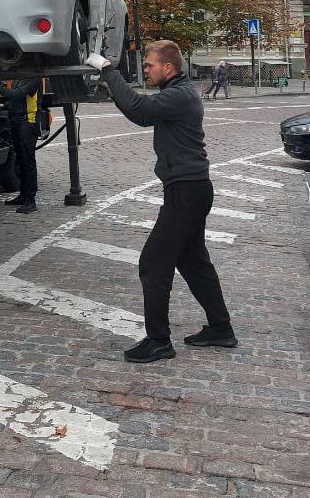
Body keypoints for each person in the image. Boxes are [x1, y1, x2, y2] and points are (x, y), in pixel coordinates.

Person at [85, 41, 236, 364]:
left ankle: (158, 341)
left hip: (186, 192)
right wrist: (113, 88)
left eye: (150, 65)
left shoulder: (180, 95)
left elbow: (140, 109)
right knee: (194, 263)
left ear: (168, 67)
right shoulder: (178, 93)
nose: (147, 70)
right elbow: (141, 115)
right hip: (191, 189)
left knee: (153, 264)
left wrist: (109, 70)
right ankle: (221, 328)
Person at [0, 77, 41, 214]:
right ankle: (23, 196)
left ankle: (31, 200)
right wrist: (5, 106)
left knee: (28, 162)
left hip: (27, 122)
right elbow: (17, 99)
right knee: (21, 161)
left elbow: (17, 94)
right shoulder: (20, 78)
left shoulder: (33, 79)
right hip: (16, 122)